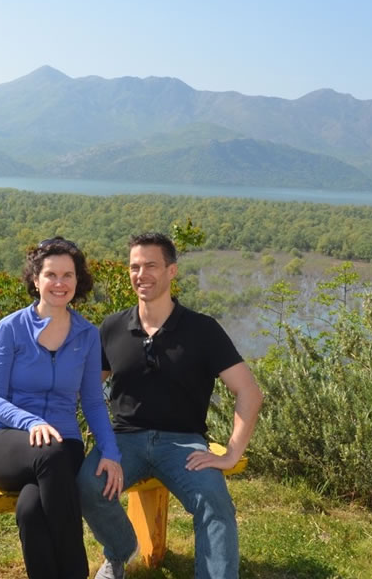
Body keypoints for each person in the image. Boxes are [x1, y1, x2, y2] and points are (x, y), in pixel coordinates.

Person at [78, 232, 264, 579]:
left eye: (151, 265)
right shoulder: (113, 327)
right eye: (134, 266)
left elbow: (249, 393)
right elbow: (86, 388)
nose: (141, 274)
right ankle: (120, 552)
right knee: (88, 484)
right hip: (124, 441)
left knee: (214, 502)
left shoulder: (202, 330)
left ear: (171, 271)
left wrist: (231, 454)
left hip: (183, 444)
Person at [0, 237, 123, 579]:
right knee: (50, 454)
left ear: (78, 281)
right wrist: (30, 423)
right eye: (51, 275)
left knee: (30, 509)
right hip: (7, 439)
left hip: (62, 444)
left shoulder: (87, 335)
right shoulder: (11, 328)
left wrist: (110, 452)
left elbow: (91, 400)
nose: (60, 283)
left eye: (68, 275)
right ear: (35, 279)